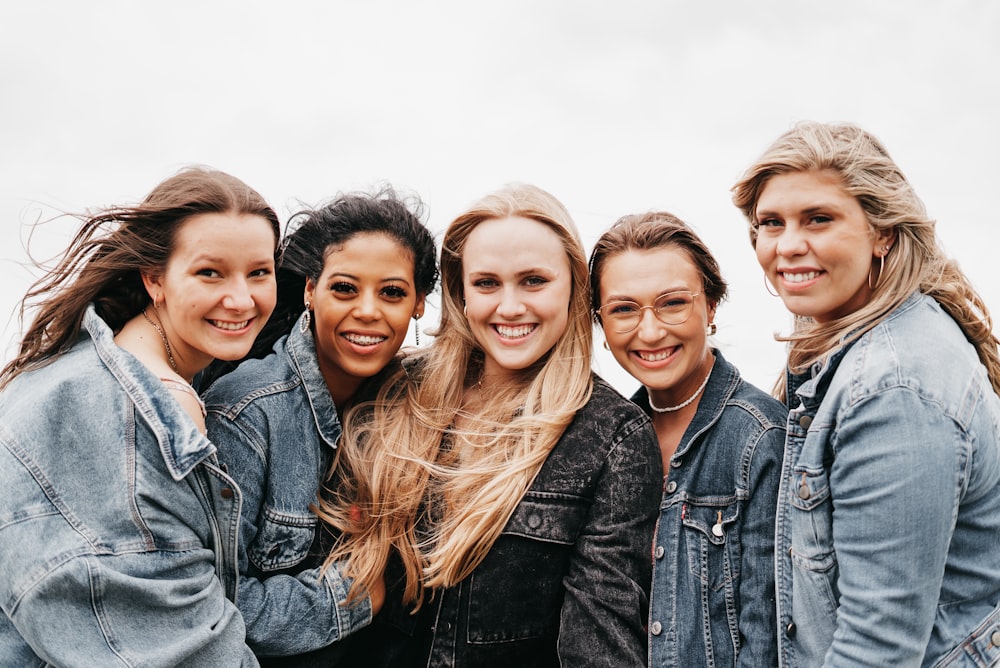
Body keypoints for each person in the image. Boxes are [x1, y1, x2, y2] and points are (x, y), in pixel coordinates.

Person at [316, 183, 663, 667]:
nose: (510, 306)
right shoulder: (395, 390)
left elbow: (600, 642)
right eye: (487, 283)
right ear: (459, 291)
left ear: (574, 288)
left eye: (534, 281)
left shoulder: (613, 436)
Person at [732, 121, 1000, 667]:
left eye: (819, 219)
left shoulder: (894, 391)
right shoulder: (839, 332)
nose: (788, 246)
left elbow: (877, 649)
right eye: (771, 223)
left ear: (883, 232)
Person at [0, 167, 280, 666]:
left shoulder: (87, 365)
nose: (242, 299)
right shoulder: (154, 409)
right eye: (209, 272)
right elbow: (179, 644)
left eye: (259, 272)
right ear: (155, 278)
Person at [201, 188, 438, 664]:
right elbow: (211, 606)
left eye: (391, 292)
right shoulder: (246, 414)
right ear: (311, 290)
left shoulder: (426, 405)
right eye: (345, 288)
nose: (368, 311)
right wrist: (351, 596)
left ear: (419, 304)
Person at [589, 212, 786, 667]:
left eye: (672, 303)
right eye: (623, 309)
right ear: (600, 323)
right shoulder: (603, 439)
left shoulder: (760, 437)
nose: (651, 330)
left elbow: (769, 635)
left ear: (711, 306)